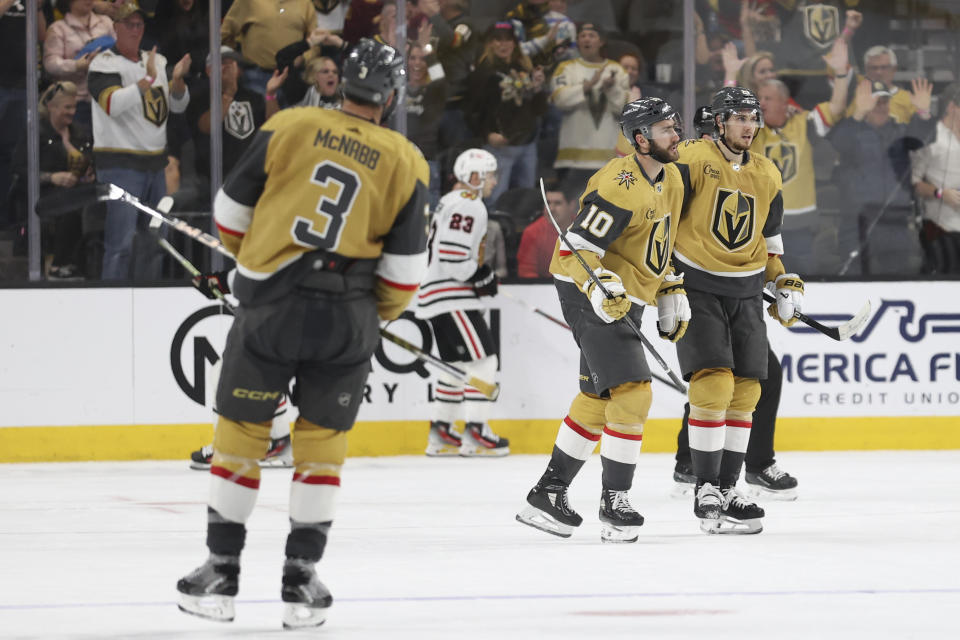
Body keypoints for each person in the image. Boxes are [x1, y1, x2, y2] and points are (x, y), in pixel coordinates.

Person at [176, 39, 430, 629]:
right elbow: (405, 276)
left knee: (241, 432)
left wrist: (260, 265)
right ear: (390, 97)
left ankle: (220, 572)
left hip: (271, 305)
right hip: (348, 319)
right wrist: (374, 315)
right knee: (321, 445)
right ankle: (300, 581)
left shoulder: (290, 125)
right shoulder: (406, 159)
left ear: (339, 83)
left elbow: (228, 216)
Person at [516, 97, 690, 543]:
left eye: (676, 126)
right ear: (640, 139)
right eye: (667, 129)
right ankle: (616, 502)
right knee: (633, 394)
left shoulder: (671, 177)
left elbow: (659, 241)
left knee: (597, 399)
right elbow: (576, 249)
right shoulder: (619, 184)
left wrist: (670, 286)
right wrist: (597, 287)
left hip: (625, 296)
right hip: (585, 290)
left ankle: (549, 493)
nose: (678, 135)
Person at [671, 86, 800, 534]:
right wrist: (660, 279)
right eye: (739, 117)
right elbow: (659, 215)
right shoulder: (690, 158)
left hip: (745, 291)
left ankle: (728, 489)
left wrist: (783, 282)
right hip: (697, 286)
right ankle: (704, 487)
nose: (748, 125)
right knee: (712, 385)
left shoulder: (767, 173)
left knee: (747, 391)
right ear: (719, 121)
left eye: (753, 117)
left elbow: (770, 245)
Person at [414, 148, 509, 458]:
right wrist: (481, 275)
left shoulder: (450, 200)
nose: (495, 181)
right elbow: (454, 257)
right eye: (490, 175)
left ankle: (441, 431)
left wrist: (479, 276)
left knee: (455, 364)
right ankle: (476, 432)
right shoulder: (469, 204)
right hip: (450, 294)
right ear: (475, 177)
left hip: (436, 293)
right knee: (484, 361)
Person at [87, 3, 191, 281]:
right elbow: (112, 104)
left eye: (139, 25)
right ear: (116, 28)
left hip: (156, 164)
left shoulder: (157, 61)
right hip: (120, 164)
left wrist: (178, 82)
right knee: (121, 243)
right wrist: (146, 79)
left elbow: (176, 107)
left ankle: (149, 299)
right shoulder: (103, 63)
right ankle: (112, 302)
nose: (135, 30)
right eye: (129, 25)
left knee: (155, 241)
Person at [828, 77, 934, 275]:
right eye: (875, 102)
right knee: (853, 283)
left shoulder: (902, 132)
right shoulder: (852, 130)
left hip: (896, 221)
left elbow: (925, 139)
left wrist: (923, 112)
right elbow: (838, 142)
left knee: (898, 280)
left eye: (884, 101)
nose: (880, 106)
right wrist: (858, 113)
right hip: (857, 222)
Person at [11, 81, 95, 280]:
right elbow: (19, 169)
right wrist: (51, 177)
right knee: (69, 207)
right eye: (67, 107)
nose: (72, 112)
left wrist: (88, 174)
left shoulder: (80, 133)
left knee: (89, 206)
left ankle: (83, 266)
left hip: (76, 191)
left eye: (74, 107)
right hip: (42, 193)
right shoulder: (35, 133)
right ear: (52, 107)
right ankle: (59, 265)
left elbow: (91, 162)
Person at [464, 21, 548, 207]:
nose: (503, 44)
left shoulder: (525, 69)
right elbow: (472, 110)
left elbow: (539, 110)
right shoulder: (483, 72)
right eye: (498, 40)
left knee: (526, 202)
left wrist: (538, 88)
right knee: (494, 199)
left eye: (508, 40)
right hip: (499, 147)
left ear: (515, 43)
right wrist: (487, 134)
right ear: (490, 43)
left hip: (527, 145)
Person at [550, 23, 629, 197]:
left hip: (607, 158)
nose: (586, 39)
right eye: (582, 35)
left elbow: (623, 108)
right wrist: (589, 86)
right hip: (572, 158)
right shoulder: (566, 68)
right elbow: (560, 99)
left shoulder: (617, 70)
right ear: (577, 41)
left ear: (601, 41)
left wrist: (610, 89)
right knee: (570, 209)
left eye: (591, 35)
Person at [43, 0, 116, 131]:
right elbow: (50, 64)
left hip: (106, 98)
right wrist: (76, 65)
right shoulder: (58, 28)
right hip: (76, 102)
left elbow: (120, 50)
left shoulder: (106, 22)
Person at [911, 83, 960, 274]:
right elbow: (914, 184)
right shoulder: (931, 136)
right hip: (940, 230)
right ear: (951, 107)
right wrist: (940, 193)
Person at [220, 0, 317, 95]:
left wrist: (304, 58)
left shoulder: (305, 3)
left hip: (292, 78)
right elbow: (225, 34)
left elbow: (316, 40)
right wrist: (234, 62)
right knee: (259, 110)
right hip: (255, 77)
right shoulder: (248, 2)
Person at [515, 179, 576, 278]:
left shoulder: (585, 229)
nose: (551, 208)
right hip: (545, 289)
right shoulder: (532, 232)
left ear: (571, 206)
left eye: (557, 203)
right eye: (547, 203)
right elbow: (526, 272)